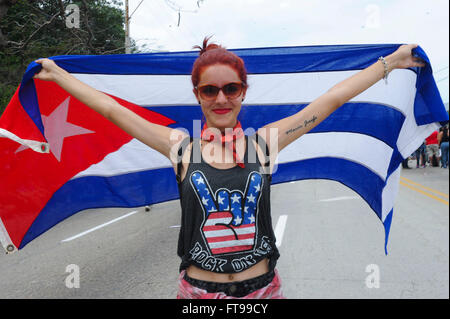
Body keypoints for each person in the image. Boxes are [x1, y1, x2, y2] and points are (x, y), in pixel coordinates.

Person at [33, 38, 425, 299]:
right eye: (209, 90)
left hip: (262, 292)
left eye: (231, 88)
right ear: (197, 95)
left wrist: (393, 61)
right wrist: (58, 75)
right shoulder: (181, 148)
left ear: (243, 92)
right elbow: (111, 110)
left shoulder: (264, 143)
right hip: (198, 297)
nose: (221, 98)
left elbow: (332, 100)